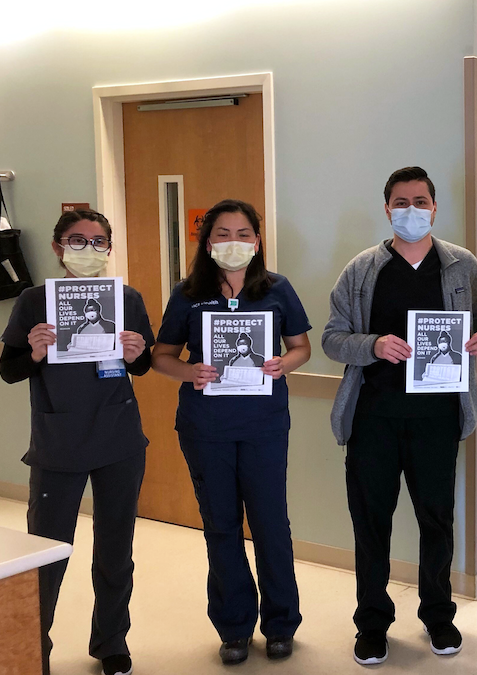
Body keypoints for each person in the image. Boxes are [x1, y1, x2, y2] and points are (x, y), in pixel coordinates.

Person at [323, 166, 477, 666]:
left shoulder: (460, 266)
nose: (412, 211)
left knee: (436, 520)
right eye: (401, 202)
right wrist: (374, 344)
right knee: (371, 524)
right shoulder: (361, 270)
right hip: (373, 419)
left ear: (435, 208)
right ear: (387, 209)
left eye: (421, 202)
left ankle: (439, 616)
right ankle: (372, 624)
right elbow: (332, 339)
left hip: (438, 418)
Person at [152, 199, 312, 665]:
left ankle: (281, 623)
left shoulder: (277, 289)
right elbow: (163, 356)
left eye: (244, 233)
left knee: (271, 525)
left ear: (257, 241)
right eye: (222, 233)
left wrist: (285, 363)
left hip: (263, 427)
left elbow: (300, 347)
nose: (234, 242)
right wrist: (190, 373)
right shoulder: (188, 293)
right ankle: (234, 626)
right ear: (207, 241)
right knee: (221, 527)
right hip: (207, 429)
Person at [0, 209, 154, 675]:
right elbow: (10, 370)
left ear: (109, 248)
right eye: (77, 240)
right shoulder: (33, 301)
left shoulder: (125, 299)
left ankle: (111, 643)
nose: (89, 249)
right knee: (46, 553)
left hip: (118, 440)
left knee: (115, 550)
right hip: (58, 441)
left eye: (99, 241)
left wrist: (136, 353)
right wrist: (35, 351)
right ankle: (33, 647)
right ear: (57, 248)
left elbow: (141, 367)